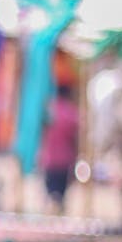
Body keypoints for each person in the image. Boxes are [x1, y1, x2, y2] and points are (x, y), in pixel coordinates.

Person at [38, 83, 80, 214]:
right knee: (60, 197)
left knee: (50, 195)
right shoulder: (72, 112)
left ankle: (51, 220)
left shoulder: (49, 110)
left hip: (48, 160)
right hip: (64, 161)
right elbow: (76, 137)